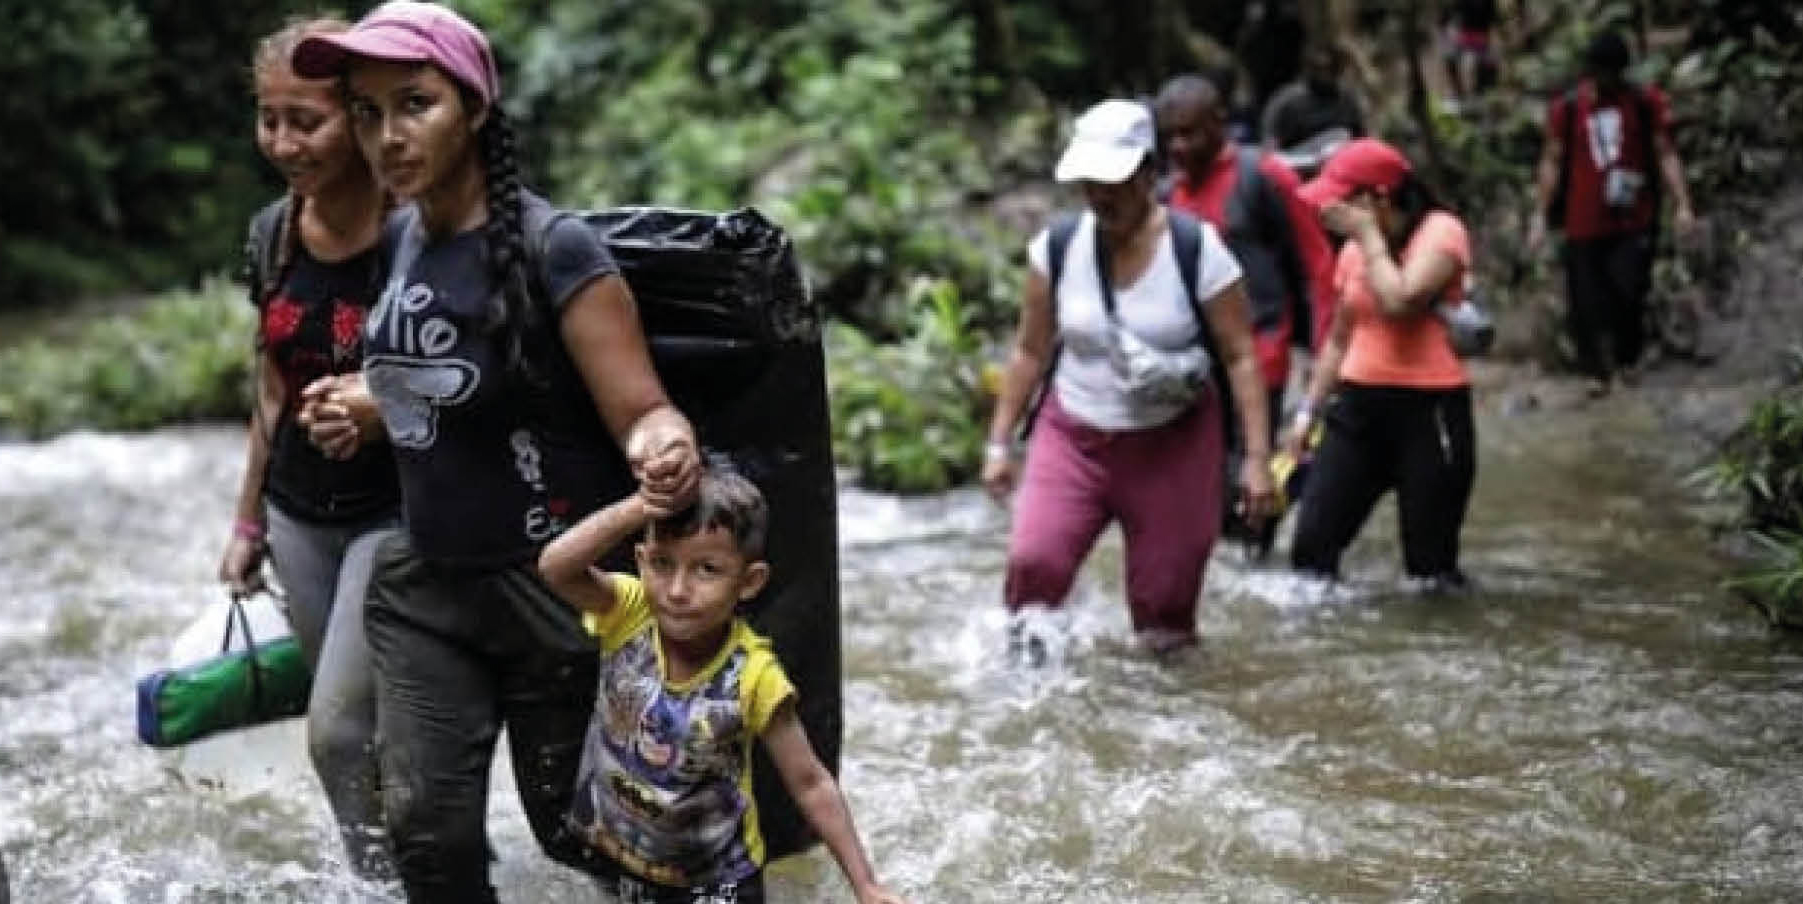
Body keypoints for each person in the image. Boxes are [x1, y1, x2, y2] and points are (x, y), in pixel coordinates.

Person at [291, 3, 702, 900]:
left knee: (574, 831)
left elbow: (640, 408)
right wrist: (355, 415)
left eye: (414, 104)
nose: (386, 136)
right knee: (425, 841)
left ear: (473, 107)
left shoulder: (558, 249)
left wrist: (663, 444)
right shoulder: (398, 237)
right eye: (365, 113)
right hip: (426, 578)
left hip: (552, 588)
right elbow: (429, 388)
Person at [983, 99, 1275, 657]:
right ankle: (1021, 687)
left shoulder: (1197, 250)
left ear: (1148, 172)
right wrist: (999, 442)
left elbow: (1240, 355)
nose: (1100, 193)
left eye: (1113, 179)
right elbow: (1028, 350)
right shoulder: (1058, 249)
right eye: (1089, 181)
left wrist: (1257, 461)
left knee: (1164, 613)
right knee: (1033, 566)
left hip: (1174, 444)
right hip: (1075, 434)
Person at [538, 463, 906, 904]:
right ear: (641, 561)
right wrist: (640, 507)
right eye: (662, 564)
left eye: (706, 570)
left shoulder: (754, 676)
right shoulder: (629, 612)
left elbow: (810, 783)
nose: (677, 590)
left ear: (749, 582)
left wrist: (866, 885)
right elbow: (556, 567)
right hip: (619, 857)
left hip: (715, 885)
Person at [218, 16, 401, 880]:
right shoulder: (272, 233)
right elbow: (271, 389)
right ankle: (386, 876)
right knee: (359, 729)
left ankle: (383, 884)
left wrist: (380, 402)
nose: (284, 142)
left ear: (361, 116)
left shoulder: (416, 229)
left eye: (308, 120)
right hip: (298, 514)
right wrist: (247, 523)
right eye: (269, 118)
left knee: (334, 727)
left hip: (397, 511)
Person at [1285, 139, 1476, 590]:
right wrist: (1306, 413)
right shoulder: (1352, 253)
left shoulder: (1441, 233)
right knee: (1311, 549)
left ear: (1376, 198)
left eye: (1342, 199)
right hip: (1358, 410)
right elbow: (1337, 339)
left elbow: (1400, 300)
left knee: (1430, 572)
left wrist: (1369, 236)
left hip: (1430, 413)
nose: (1329, 209)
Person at [1155, 75, 1336, 454]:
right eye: (1170, 136)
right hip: (1192, 367)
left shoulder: (1264, 177)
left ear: (1218, 123)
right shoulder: (1168, 196)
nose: (1179, 147)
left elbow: (1317, 265)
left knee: (1246, 485)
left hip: (1261, 356)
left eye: (1190, 134)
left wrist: (1322, 358)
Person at [1528, 30, 1697, 397]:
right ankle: (1596, 373)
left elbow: (1664, 151)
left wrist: (1682, 203)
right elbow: (1553, 161)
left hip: (1633, 218)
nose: (1605, 82)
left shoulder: (1643, 102)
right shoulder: (1569, 108)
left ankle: (1627, 362)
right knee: (1586, 301)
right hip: (1583, 221)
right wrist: (1540, 214)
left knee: (1630, 290)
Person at [1260, 42, 1366, 164]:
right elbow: (1269, 146)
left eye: (1330, 69)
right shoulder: (1286, 102)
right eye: (1319, 69)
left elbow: (1361, 138)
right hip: (1297, 165)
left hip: (1339, 165)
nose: (1325, 75)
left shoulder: (1347, 100)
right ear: (1309, 69)